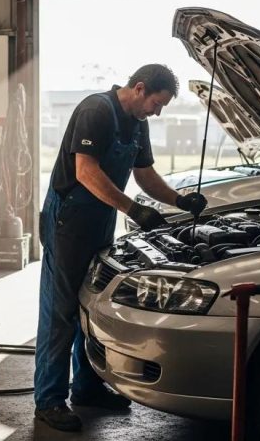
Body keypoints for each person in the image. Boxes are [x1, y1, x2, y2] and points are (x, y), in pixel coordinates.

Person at [34, 64, 208, 432]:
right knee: (60, 311)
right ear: (140, 88)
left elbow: (144, 174)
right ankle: (48, 400)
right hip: (68, 218)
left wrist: (180, 200)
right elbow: (85, 171)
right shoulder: (97, 110)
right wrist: (133, 208)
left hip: (99, 217)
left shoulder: (137, 123)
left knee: (89, 305)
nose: (156, 112)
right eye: (156, 104)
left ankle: (86, 388)